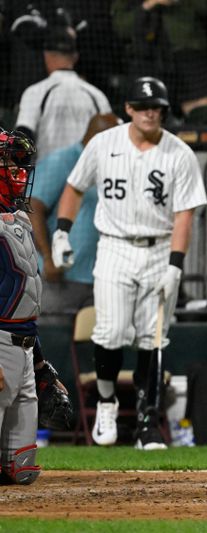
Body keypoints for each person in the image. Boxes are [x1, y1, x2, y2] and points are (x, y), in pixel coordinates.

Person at [51, 76, 207, 450]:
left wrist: (175, 264)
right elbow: (74, 186)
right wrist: (61, 232)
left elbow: (185, 213)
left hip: (158, 249)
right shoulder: (104, 144)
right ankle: (106, 401)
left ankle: (147, 424)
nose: (150, 113)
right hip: (115, 247)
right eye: (143, 107)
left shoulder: (179, 154)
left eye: (157, 108)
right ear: (129, 109)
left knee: (152, 339)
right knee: (110, 331)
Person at [29, 114, 122, 321]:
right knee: (51, 345)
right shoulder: (63, 160)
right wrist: (48, 257)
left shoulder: (113, 166)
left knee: (94, 349)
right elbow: (32, 207)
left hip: (102, 279)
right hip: (61, 279)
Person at [0, 129, 43, 484]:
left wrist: (40, 360)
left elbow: (29, 293)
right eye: (9, 162)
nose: (19, 172)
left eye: (19, 162)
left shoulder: (21, 218)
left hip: (23, 346)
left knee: (21, 472)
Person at [15, 26, 112, 160]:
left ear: (46, 55)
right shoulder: (97, 95)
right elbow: (111, 138)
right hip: (86, 177)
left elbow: (23, 138)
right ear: (75, 57)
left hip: (46, 177)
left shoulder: (35, 92)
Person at [111, 0, 207, 116]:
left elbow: (206, 7)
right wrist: (148, 5)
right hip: (145, 60)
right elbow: (121, 27)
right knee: (148, 115)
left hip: (187, 53)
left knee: (201, 114)